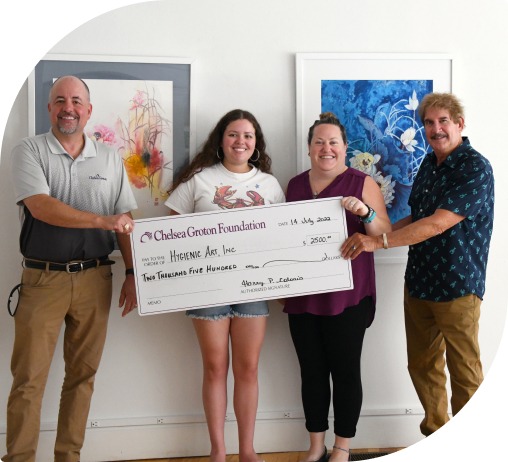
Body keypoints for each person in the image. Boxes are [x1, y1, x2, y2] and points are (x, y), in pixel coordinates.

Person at [341, 92, 495, 436]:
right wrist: (375, 233)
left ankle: (475, 444)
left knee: (465, 371)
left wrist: (377, 241)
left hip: (458, 286)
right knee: (423, 366)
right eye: (429, 122)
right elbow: (417, 217)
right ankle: (437, 436)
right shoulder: (428, 163)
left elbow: (438, 223)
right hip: (420, 282)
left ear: (460, 123)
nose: (436, 129)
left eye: (443, 121)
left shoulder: (475, 168)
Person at [3, 75, 138, 462]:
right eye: (60, 100)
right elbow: (41, 207)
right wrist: (100, 221)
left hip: (97, 278)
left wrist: (131, 272)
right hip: (43, 280)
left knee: (82, 377)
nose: (69, 107)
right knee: (29, 381)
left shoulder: (110, 158)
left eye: (77, 100)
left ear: (89, 110)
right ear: (49, 108)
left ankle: (68, 457)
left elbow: (124, 218)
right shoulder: (28, 151)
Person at [165, 109, 285, 462]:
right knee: (215, 368)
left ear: (256, 144)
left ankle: (247, 451)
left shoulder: (269, 185)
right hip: (207, 291)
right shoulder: (201, 179)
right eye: (233, 134)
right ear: (221, 140)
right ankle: (218, 452)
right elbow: (171, 233)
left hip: (253, 288)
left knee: (247, 369)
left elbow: (283, 237)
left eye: (247, 136)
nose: (240, 142)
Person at [283, 112, 391, 462]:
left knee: (346, 371)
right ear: (310, 148)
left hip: (349, 296)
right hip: (303, 296)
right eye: (318, 142)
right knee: (311, 372)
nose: (325, 148)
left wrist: (366, 214)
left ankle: (342, 446)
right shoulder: (295, 186)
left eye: (332, 142)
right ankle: (316, 445)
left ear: (345, 148)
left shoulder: (363, 183)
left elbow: (384, 235)